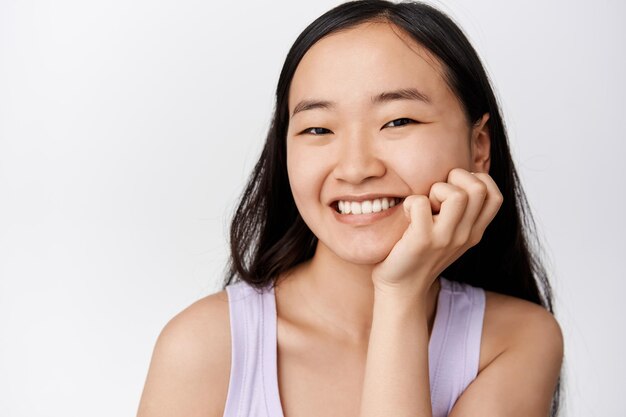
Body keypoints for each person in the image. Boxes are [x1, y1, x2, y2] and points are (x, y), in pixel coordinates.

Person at [137, 1, 564, 416]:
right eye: (318, 128)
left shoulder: (516, 340)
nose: (356, 168)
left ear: (478, 148)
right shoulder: (205, 348)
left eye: (398, 121)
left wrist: (400, 295)